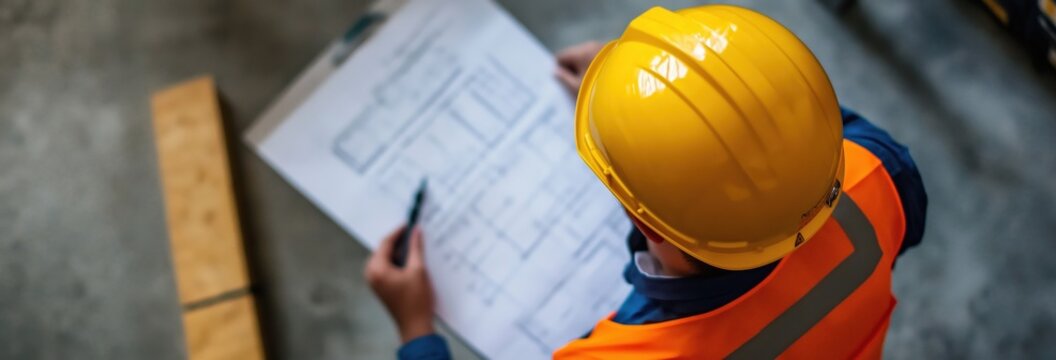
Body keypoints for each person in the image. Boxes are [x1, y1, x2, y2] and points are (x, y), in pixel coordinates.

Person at [364, 5, 927, 359]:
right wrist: (645, 105)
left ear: (642, 221)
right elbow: (803, 121)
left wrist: (417, 330)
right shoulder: (881, 173)